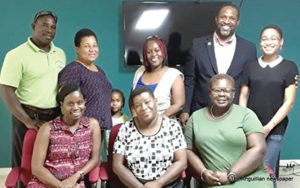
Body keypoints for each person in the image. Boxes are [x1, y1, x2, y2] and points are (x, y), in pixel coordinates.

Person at [0, 10, 66, 182]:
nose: (49, 30)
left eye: (53, 27)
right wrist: (27, 121)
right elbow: (6, 90)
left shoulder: (60, 54)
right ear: (33, 26)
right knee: (23, 166)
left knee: (51, 162)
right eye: (44, 25)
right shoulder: (16, 55)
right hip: (27, 116)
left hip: (54, 116)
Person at [184, 74, 272, 188]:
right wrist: (203, 172)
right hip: (215, 180)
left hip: (251, 178)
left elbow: (259, 148)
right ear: (210, 93)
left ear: (233, 94)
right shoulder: (195, 117)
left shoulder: (246, 115)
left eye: (227, 91)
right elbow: (188, 150)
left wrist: (231, 175)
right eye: (217, 90)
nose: (221, 94)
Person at [239, 25, 298, 187]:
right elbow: (243, 96)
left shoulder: (290, 67)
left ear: (281, 42)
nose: (268, 42)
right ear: (260, 43)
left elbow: (289, 102)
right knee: (251, 167)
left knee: (265, 168)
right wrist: (246, 123)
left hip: (275, 128)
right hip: (251, 127)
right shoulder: (250, 66)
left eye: (273, 38)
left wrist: (268, 127)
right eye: (265, 38)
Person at [180, 3, 257, 125]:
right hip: (201, 111)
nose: (227, 21)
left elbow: (250, 83)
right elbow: (190, 80)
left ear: (237, 22)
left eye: (232, 18)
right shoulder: (197, 45)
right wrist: (185, 110)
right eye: (223, 17)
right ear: (216, 19)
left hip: (233, 114)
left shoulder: (249, 48)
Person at [27, 83, 101, 188]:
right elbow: (37, 168)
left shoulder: (92, 125)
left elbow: (95, 159)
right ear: (61, 106)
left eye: (79, 102)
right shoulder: (47, 128)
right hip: (44, 183)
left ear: (85, 103)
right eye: (70, 104)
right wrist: (61, 186)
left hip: (75, 184)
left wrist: (76, 177)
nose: (76, 107)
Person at [113, 87, 187, 188]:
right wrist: (139, 187)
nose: (144, 107)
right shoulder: (125, 129)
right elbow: (117, 166)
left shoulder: (172, 126)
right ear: (134, 109)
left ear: (155, 102)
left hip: (167, 183)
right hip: (134, 184)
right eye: (138, 105)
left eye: (147, 102)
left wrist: (158, 183)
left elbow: (182, 162)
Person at [58, 28, 112, 132]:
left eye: (94, 45)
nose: (92, 49)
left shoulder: (100, 71)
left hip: (102, 130)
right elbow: (67, 104)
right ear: (77, 48)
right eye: (87, 46)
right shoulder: (73, 70)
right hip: (83, 132)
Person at [132, 35, 185, 117]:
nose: (153, 54)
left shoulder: (174, 75)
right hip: (139, 124)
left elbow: (179, 105)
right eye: (149, 52)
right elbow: (132, 100)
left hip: (164, 124)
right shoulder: (140, 71)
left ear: (163, 51)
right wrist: (137, 120)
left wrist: (156, 122)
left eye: (157, 50)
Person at [102, 89, 130, 160]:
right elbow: (100, 138)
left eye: (117, 101)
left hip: (121, 157)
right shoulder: (104, 119)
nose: (114, 103)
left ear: (122, 103)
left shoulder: (126, 120)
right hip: (106, 157)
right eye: (112, 100)